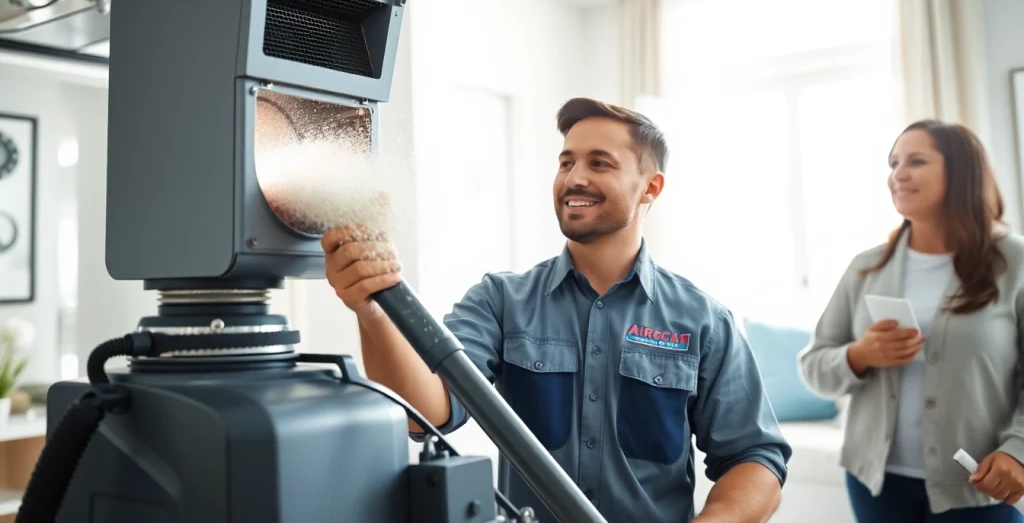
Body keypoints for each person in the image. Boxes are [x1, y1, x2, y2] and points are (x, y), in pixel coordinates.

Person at [322, 97, 792, 523]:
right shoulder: (500, 302)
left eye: (599, 163)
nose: (574, 177)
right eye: (566, 162)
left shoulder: (703, 321)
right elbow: (424, 411)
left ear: (651, 188)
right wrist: (373, 311)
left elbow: (755, 458)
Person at [799, 119, 1024, 523]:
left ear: (961, 172)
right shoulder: (864, 267)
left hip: (978, 487)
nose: (897, 174)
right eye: (893, 163)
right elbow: (814, 366)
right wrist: (858, 355)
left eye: (916, 161)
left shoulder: (1015, 263)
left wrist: (1018, 450)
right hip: (876, 484)